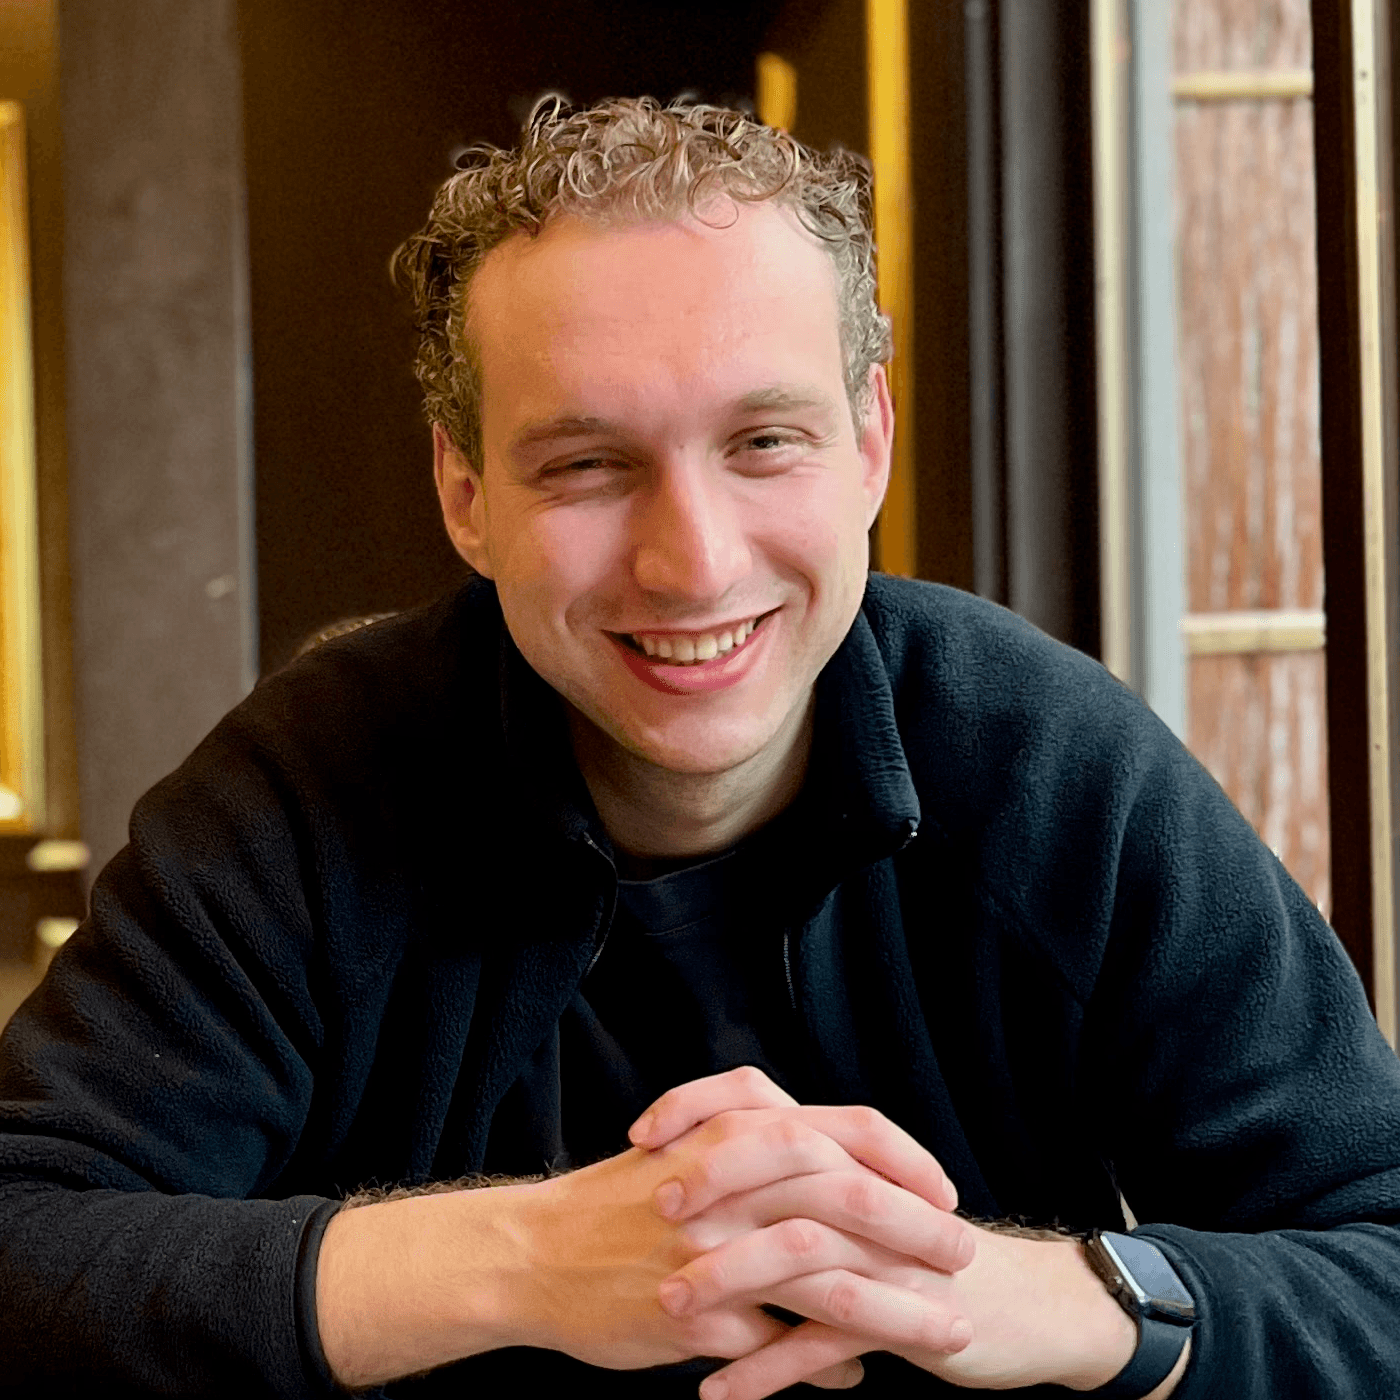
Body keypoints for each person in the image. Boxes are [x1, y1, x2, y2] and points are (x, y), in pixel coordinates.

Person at [2, 96, 1399, 1400]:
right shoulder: (306, 792)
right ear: (465, 491)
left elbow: (1379, 1258)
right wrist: (524, 1263)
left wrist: (1040, 1294)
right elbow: (26, 1238)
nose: (695, 563)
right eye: (587, 465)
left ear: (869, 441)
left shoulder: (1049, 766)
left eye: (765, 441)